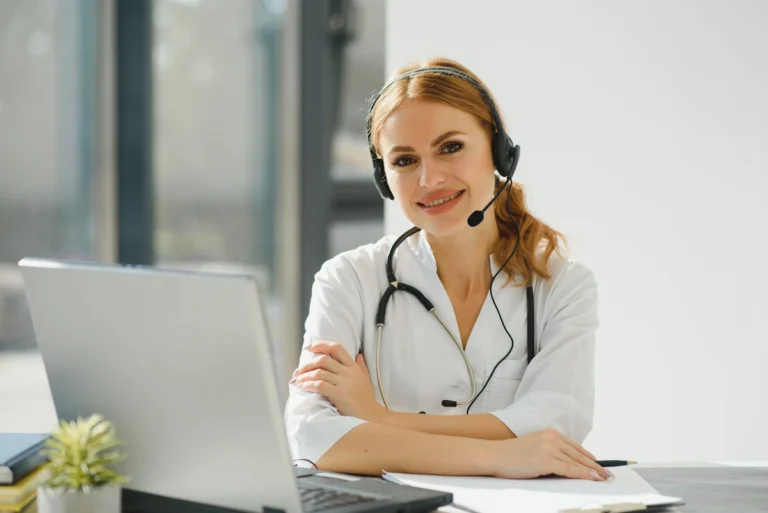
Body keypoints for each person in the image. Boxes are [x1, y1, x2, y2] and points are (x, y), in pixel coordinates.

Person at [283, 57, 608, 482]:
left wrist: (377, 419)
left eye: (450, 147)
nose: (429, 179)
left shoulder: (564, 286)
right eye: (404, 161)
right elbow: (312, 437)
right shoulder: (347, 280)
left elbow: (553, 429)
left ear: (498, 150)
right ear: (385, 178)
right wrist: (502, 456)